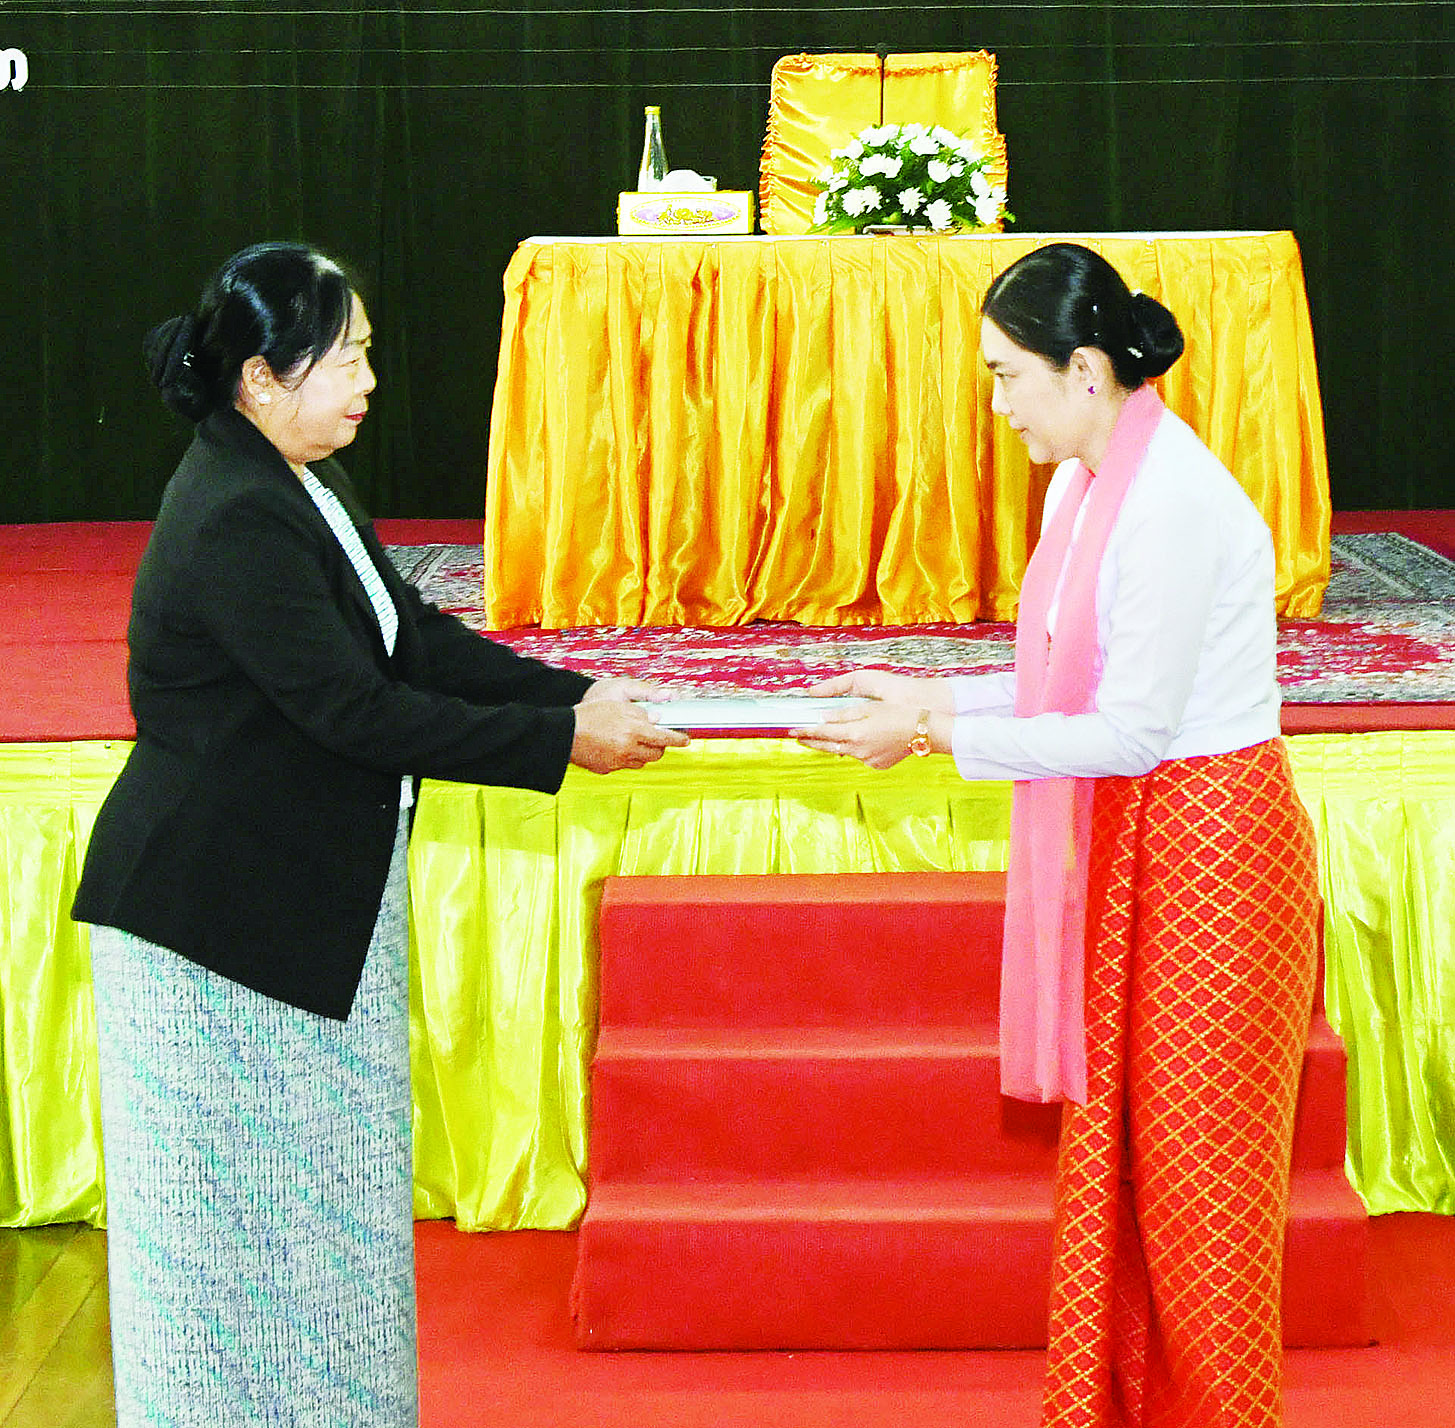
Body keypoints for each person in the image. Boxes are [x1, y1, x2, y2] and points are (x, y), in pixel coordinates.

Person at [72, 240, 688, 1427]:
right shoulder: (235, 513)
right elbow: (354, 712)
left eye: (364, 352)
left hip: (285, 906)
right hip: (207, 925)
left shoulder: (299, 476)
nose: (366, 379)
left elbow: (411, 637)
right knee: (226, 1254)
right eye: (343, 357)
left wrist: (570, 694)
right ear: (261, 378)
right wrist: (560, 744)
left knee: (320, 1223)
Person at [795, 242, 1318, 1428]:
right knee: (1120, 1178)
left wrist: (933, 733)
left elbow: (1130, 729)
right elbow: (1061, 688)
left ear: (1085, 370)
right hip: (1141, 840)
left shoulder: (1172, 501)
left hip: (1217, 859)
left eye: (1006, 376)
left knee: (1201, 1203)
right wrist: (929, 698)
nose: (997, 406)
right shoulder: (1084, 486)